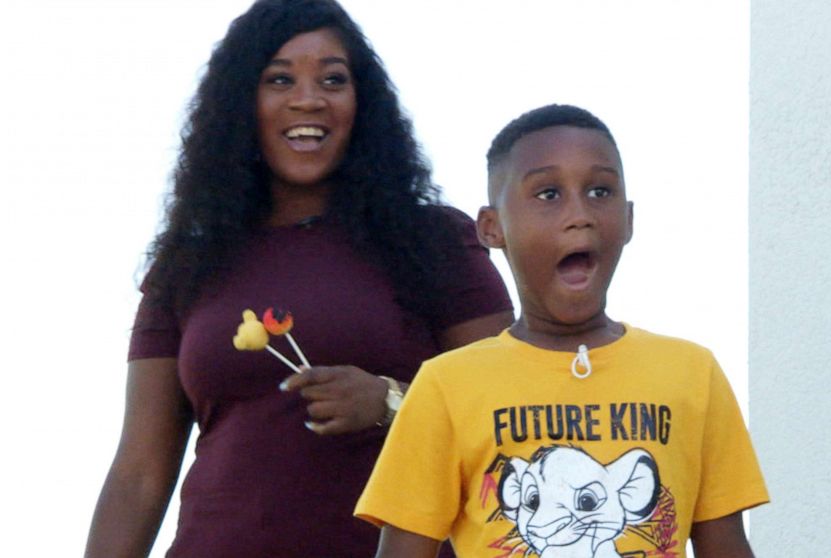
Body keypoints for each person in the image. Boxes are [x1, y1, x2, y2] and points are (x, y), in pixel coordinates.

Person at [85, 0, 513, 556]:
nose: (308, 99)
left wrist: (390, 404)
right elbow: (139, 473)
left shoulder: (433, 240)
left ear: (362, 103)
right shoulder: (188, 265)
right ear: (243, 103)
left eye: (332, 79)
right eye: (279, 79)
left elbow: (510, 418)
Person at [355, 104, 769, 557]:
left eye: (599, 191)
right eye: (549, 194)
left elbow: (727, 546)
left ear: (629, 218)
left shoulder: (693, 374)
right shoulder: (445, 386)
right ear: (492, 229)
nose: (580, 214)